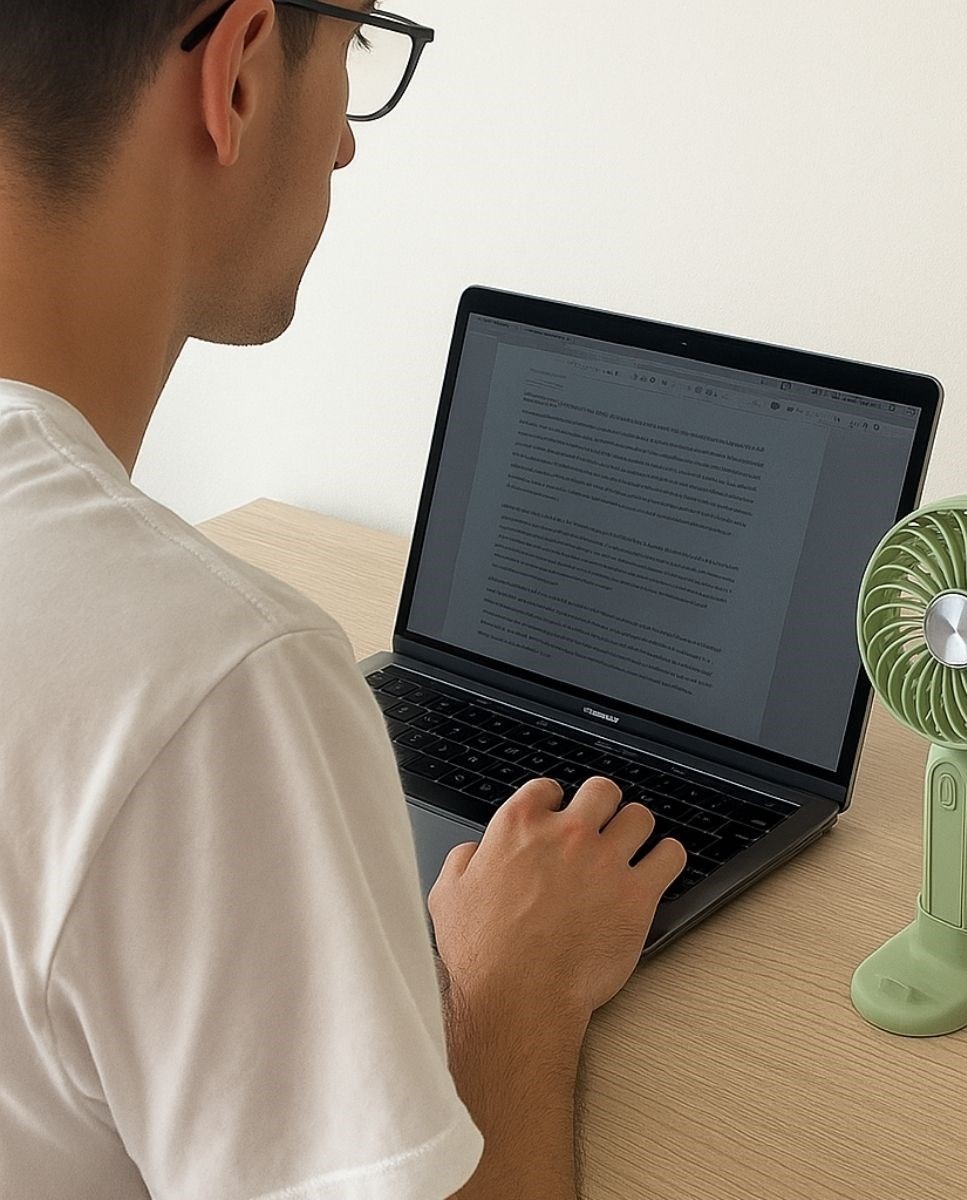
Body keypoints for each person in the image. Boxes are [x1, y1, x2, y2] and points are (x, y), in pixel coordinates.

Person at [0, 3, 688, 1198]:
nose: (347, 144)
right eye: (356, 45)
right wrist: (509, 990)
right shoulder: (215, 681)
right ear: (237, 75)